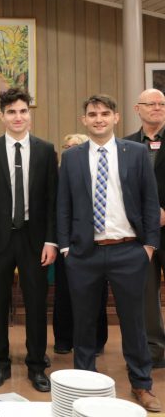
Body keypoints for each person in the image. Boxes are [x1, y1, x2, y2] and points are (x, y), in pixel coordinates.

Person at [57, 94, 161, 412]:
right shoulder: (73, 157)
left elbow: (149, 201)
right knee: (85, 324)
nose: (99, 118)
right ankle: (85, 386)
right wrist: (65, 249)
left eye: (105, 113)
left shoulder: (137, 153)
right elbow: (63, 205)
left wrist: (148, 246)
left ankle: (141, 385)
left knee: (134, 323)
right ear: (83, 120)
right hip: (84, 254)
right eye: (92, 114)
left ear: (116, 117)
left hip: (129, 250)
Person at [0, 88, 58, 393]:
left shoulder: (46, 150)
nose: (18, 117)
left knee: (36, 304)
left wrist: (51, 241)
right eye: (11, 112)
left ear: (29, 114)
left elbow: (53, 200)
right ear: (2, 116)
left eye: (23, 111)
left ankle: (37, 365)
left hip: (35, 240)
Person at [53, 134, 109, 355]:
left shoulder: (97, 172)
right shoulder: (57, 174)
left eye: (75, 147)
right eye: (66, 147)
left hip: (96, 243)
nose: (70, 151)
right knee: (64, 293)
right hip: (66, 242)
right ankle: (64, 339)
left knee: (97, 294)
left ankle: (97, 340)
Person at [124, 88, 165, 369]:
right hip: (141, 235)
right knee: (146, 295)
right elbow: (123, 189)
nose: (157, 107)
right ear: (137, 109)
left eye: (161, 103)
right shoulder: (125, 145)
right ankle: (154, 349)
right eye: (150, 103)